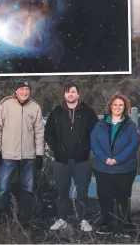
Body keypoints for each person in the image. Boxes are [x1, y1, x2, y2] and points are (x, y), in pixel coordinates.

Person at [44, 82, 99, 232]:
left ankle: (83, 220)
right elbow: (48, 133)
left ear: (78, 94)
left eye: (73, 92)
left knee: (82, 192)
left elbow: (95, 132)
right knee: (62, 192)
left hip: (82, 160)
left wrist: (86, 148)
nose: (71, 94)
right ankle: (62, 218)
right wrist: (56, 149)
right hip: (61, 161)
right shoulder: (57, 112)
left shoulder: (88, 112)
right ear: (64, 95)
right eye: (68, 92)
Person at [0, 80, 45, 213]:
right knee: (3, 188)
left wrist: (39, 154)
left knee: (28, 188)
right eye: (21, 89)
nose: (24, 92)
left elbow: (39, 132)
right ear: (16, 90)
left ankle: (26, 217)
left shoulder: (35, 107)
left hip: (29, 156)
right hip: (8, 154)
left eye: (27, 89)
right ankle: (0, 218)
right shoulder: (5, 104)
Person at [90, 93, 140, 236]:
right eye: (115, 104)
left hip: (124, 169)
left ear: (125, 107)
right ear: (110, 106)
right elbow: (94, 142)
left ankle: (125, 227)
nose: (117, 107)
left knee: (122, 198)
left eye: (121, 105)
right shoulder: (100, 124)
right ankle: (108, 225)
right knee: (105, 197)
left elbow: (134, 144)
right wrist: (104, 159)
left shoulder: (130, 125)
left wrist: (117, 159)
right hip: (103, 168)